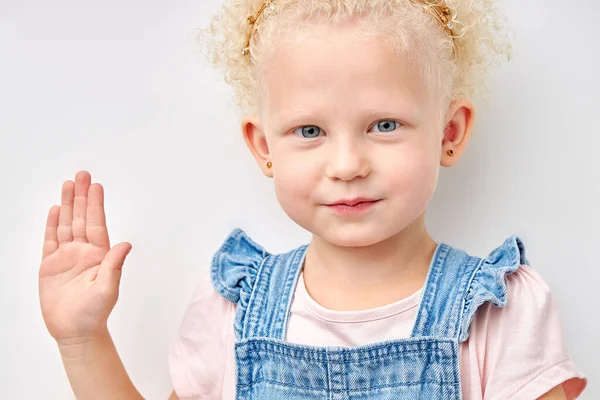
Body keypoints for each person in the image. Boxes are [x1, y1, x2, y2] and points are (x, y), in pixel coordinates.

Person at [38, 0, 588, 399]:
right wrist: (83, 340)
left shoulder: (496, 312)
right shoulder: (231, 306)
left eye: (384, 124)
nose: (347, 165)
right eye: (309, 131)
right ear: (263, 146)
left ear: (449, 133)